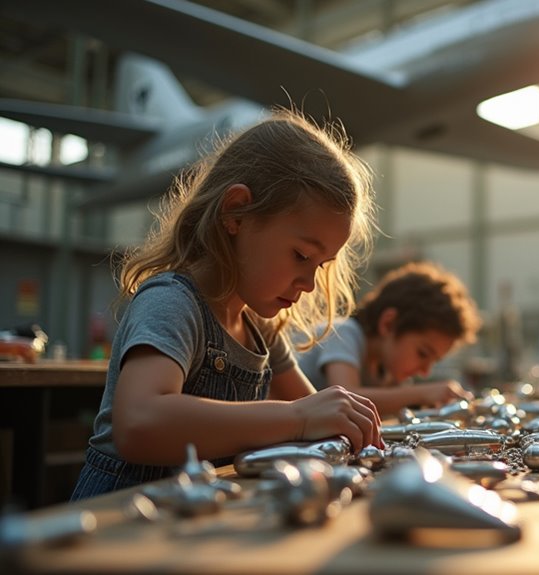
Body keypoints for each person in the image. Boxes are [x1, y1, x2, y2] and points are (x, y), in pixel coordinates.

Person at [71, 109, 383, 501]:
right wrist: (298, 418)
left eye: (320, 266)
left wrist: (340, 422)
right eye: (302, 256)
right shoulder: (172, 301)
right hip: (120, 522)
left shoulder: (260, 327)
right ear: (235, 212)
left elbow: (318, 418)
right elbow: (139, 423)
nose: (309, 283)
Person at [295, 260, 482, 415]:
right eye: (423, 353)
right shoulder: (343, 333)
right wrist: (422, 393)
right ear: (389, 324)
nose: (425, 371)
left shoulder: (387, 373)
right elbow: (346, 398)